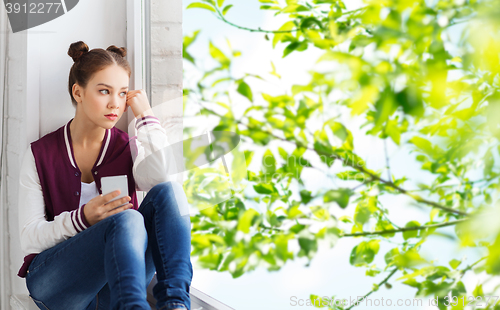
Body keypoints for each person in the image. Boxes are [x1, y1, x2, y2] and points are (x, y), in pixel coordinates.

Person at [16, 41, 193, 310]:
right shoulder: (40, 153)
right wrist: (83, 218)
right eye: (104, 91)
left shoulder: (128, 146)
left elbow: (163, 179)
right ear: (78, 92)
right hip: (57, 288)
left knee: (170, 193)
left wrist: (146, 116)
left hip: (115, 288)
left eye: (123, 94)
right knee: (128, 218)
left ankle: (176, 305)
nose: (115, 103)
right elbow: (30, 237)